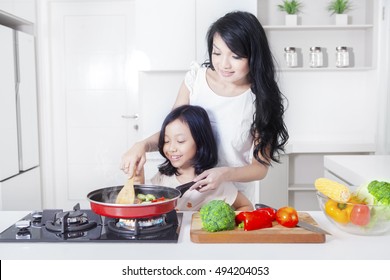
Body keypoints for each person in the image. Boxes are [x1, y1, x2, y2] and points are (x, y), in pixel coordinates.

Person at [121, 11, 289, 203]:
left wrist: (224, 174)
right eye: (217, 53)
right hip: (190, 190)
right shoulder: (195, 80)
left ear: (254, 56)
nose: (223, 64)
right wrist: (141, 145)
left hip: (231, 198)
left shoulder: (261, 99)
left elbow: (260, 168)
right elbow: (172, 132)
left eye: (235, 56)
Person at [148, 105, 253, 211]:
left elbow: (246, 206)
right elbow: (145, 205)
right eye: (166, 141)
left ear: (199, 142)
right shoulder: (162, 177)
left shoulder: (214, 181)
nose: (171, 148)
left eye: (180, 141)